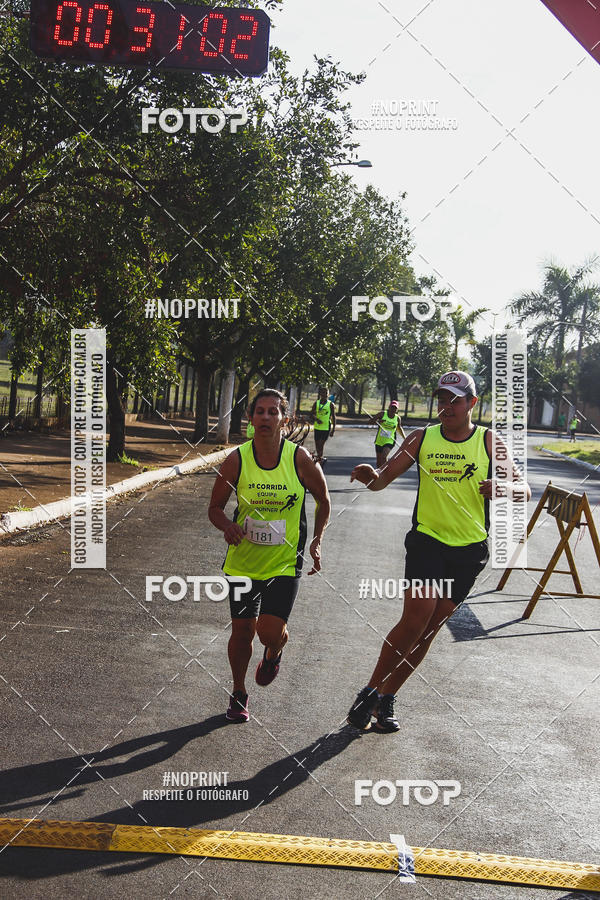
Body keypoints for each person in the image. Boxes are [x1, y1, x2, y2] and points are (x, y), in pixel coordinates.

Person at [346, 370, 531, 733]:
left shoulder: (489, 441)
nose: (446, 406)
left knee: (428, 631)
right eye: (442, 400)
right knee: (416, 617)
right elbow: (383, 479)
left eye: (454, 400)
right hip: (427, 541)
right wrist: (370, 475)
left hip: (469, 550)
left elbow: (524, 489)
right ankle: (369, 691)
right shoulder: (421, 438)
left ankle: (387, 698)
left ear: (472, 403)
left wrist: (503, 488)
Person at [208, 389, 330, 723]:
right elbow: (215, 508)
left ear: (285, 420)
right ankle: (238, 692)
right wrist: (227, 527)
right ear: (250, 418)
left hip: (284, 562)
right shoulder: (237, 459)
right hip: (243, 561)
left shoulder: (299, 459)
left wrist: (317, 540)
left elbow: (323, 499)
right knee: (242, 631)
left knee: (269, 632)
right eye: (259, 411)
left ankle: (274, 651)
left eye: (272, 412)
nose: (265, 417)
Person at [373, 400, 406, 468]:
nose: (393, 409)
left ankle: (386, 472)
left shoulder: (397, 418)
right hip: (379, 440)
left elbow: (399, 428)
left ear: (397, 410)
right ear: (389, 407)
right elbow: (370, 422)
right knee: (379, 460)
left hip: (390, 440)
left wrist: (405, 438)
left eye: (395, 408)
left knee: (384, 456)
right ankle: (379, 473)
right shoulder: (382, 414)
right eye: (392, 407)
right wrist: (378, 421)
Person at [310, 386, 336, 463]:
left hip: (326, 428)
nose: (324, 394)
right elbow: (311, 414)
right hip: (317, 427)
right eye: (323, 392)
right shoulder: (316, 403)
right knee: (317, 445)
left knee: (321, 445)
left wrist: (333, 429)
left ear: (328, 394)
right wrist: (316, 419)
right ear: (320, 394)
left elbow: (333, 417)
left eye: (326, 393)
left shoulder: (330, 404)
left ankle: (319, 460)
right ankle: (320, 459)